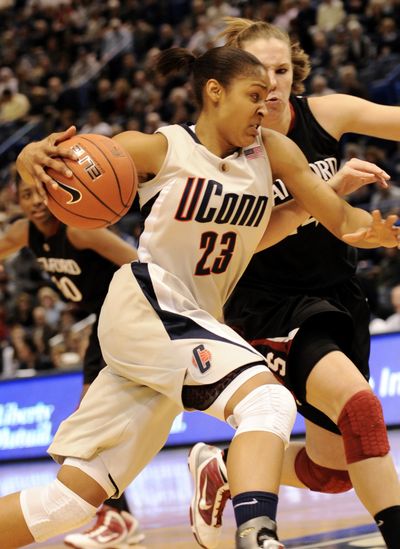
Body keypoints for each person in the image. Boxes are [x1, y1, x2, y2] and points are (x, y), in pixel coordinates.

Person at [1, 45, 399, 549]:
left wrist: (383, 233)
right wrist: (27, 153)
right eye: (253, 95)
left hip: (185, 328)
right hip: (151, 301)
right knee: (268, 399)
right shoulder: (165, 149)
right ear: (214, 93)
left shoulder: (274, 151)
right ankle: (258, 536)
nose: (266, 104)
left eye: (270, 94)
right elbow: (67, 157)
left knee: (70, 503)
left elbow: (340, 220)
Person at [187, 17, 400, 549]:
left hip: (338, 297)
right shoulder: (226, 147)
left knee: (333, 470)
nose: (274, 83)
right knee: (362, 410)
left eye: (282, 69)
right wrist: (325, 192)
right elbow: (247, 241)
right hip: (267, 304)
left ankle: (225, 472)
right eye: (260, 72)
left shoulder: (325, 114)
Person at [0, 176, 144, 548]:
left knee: (85, 429)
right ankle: (118, 516)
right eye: (26, 194)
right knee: (82, 429)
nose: (34, 202)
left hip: (127, 317)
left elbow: (141, 264)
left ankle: (117, 518)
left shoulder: (80, 232)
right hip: (104, 324)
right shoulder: (24, 232)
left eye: (41, 194)